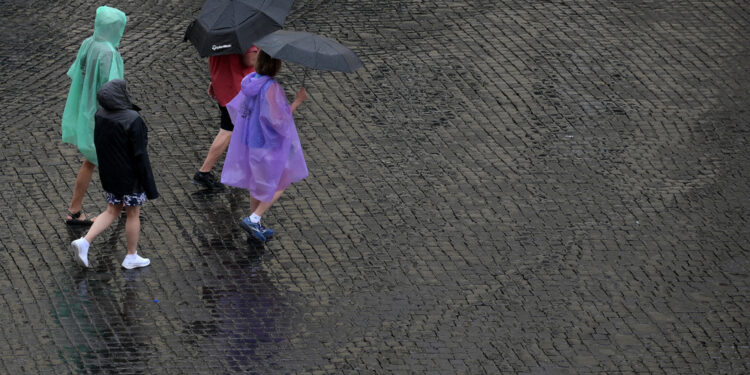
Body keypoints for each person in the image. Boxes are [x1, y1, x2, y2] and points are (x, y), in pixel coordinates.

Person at [221, 50, 308, 242]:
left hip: (251, 142)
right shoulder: (271, 87)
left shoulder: (250, 80)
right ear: (276, 65)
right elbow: (278, 120)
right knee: (281, 181)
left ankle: (255, 225)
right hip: (267, 146)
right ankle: (254, 217)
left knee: (257, 184)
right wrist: (297, 102)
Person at [71, 79, 158, 269]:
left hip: (110, 174)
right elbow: (140, 155)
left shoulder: (100, 114)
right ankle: (131, 256)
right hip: (130, 177)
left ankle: (84, 242)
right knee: (133, 214)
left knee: (112, 210)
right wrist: (149, 185)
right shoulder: (133, 119)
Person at [61, 5, 128, 225]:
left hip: (89, 111)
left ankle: (76, 209)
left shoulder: (88, 43)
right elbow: (111, 88)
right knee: (115, 157)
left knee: (91, 160)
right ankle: (121, 203)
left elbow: (78, 71)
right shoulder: (108, 51)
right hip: (104, 114)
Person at [192, 46, 258, 189]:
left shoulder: (219, 34)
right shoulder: (246, 35)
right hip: (238, 89)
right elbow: (249, 60)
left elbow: (220, 59)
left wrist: (214, 81)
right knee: (228, 130)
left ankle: (241, 168)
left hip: (224, 86)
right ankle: (203, 172)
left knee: (241, 128)